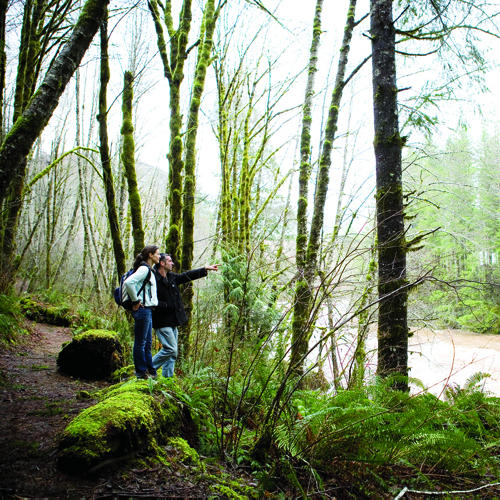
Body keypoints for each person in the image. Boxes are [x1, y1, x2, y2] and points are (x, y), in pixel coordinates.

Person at [152, 253, 218, 378]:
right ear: (162, 263)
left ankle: (167, 379)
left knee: (173, 353)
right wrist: (165, 305)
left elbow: (186, 276)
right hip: (161, 321)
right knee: (170, 349)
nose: (172, 263)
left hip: (173, 320)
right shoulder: (153, 279)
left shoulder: (171, 276)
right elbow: (149, 299)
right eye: (169, 261)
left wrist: (204, 269)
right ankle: (148, 369)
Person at [124, 245, 161, 379]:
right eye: (157, 254)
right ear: (150, 255)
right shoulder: (144, 269)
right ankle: (141, 372)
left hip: (148, 310)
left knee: (147, 343)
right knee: (141, 343)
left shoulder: (149, 269)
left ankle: (150, 371)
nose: (159, 256)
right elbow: (128, 283)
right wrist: (135, 301)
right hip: (143, 310)